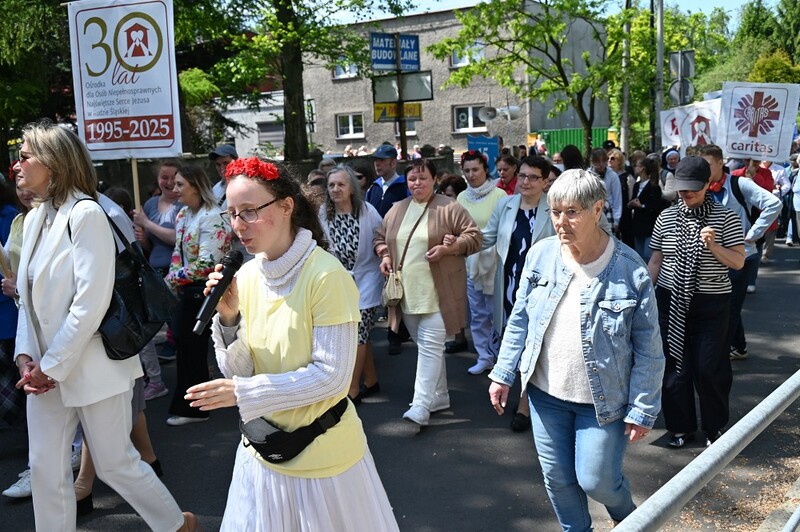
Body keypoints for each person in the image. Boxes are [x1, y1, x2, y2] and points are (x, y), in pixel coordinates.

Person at [184, 157, 399, 530]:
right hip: (262, 454)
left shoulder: (326, 276)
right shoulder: (247, 275)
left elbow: (331, 378)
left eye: (249, 211)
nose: (237, 226)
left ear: (286, 207)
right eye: (232, 214)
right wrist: (230, 319)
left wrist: (242, 393)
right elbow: (238, 370)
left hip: (324, 464)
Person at [12, 121, 197, 531]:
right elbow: (27, 297)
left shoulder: (87, 214)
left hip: (94, 365)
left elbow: (90, 304)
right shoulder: (37, 217)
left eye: (25, 156)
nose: (17, 165)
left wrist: (50, 366)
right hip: (44, 370)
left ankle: (176, 524)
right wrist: (27, 356)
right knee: (44, 467)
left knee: (115, 464)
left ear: (54, 163)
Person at [488, 168, 664, 531]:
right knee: (558, 479)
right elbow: (520, 318)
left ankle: (630, 520)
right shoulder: (540, 256)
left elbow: (649, 347)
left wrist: (642, 406)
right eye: (555, 212)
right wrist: (503, 374)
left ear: (598, 210)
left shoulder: (630, 270)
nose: (561, 222)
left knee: (597, 480)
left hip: (603, 402)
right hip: (545, 394)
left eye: (572, 212)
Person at [374, 158, 482, 425]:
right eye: (412, 178)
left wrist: (451, 247)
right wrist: (385, 254)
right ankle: (441, 395)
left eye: (423, 178)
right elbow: (379, 237)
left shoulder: (449, 207)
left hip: (439, 292)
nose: (417, 183)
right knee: (426, 347)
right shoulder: (397, 209)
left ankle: (421, 405)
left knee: (430, 348)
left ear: (434, 180)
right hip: (407, 294)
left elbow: (475, 237)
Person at [648, 156, 745, 448]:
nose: (685, 194)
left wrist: (714, 246)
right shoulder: (666, 217)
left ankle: (715, 427)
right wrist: (643, 294)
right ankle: (680, 428)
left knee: (708, 367)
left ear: (707, 185)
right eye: (681, 188)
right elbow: (656, 259)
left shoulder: (725, 217)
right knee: (675, 367)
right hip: (671, 299)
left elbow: (739, 261)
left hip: (711, 302)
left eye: (692, 188)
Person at [482, 156, 555, 432]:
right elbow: (487, 237)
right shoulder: (506, 204)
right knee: (515, 338)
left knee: (534, 343)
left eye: (533, 177)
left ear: (545, 181)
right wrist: (459, 242)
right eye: (522, 175)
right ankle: (512, 389)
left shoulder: (553, 208)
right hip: (510, 285)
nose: (525, 181)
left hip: (542, 288)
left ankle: (524, 405)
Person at [698, 145, 781, 361]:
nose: (704, 170)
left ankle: (719, 353)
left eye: (707, 164)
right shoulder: (700, 187)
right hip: (713, 258)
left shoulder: (739, 183)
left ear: (720, 163)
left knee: (728, 306)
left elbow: (774, 203)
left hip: (741, 256)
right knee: (726, 304)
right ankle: (740, 346)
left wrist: (752, 233)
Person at [165, 165, 231, 426]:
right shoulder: (183, 214)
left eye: (180, 184)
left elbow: (208, 262)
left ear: (195, 185)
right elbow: (177, 253)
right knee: (185, 345)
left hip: (206, 289)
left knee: (192, 346)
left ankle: (196, 407)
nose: (174, 189)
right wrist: (173, 280)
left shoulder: (213, 215)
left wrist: (172, 278)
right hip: (187, 288)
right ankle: (194, 403)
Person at [319, 165, 384, 405]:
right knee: (360, 335)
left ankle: (352, 389)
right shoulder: (324, 214)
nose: (335, 189)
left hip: (366, 281)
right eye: (331, 185)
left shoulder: (368, 212)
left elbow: (381, 237)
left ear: (352, 188)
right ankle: (372, 380)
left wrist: (384, 254)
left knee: (357, 335)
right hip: (339, 284)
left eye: (341, 184)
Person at [457, 150, 508, 375]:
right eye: (467, 170)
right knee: (477, 312)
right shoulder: (461, 198)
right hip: (470, 262)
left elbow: (505, 230)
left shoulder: (500, 195)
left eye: (475, 169)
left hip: (494, 263)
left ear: (485, 170)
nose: (471, 174)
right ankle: (484, 356)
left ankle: (502, 357)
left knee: (495, 311)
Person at [134, 159, 182, 372]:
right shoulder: (151, 204)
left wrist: (147, 224)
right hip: (155, 270)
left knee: (178, 321)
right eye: (165, 177)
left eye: (174, 177)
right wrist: (142, 236)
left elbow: (176, 238)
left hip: (176, 272)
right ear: (157, 179)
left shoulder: (183, 205)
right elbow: (148, 244)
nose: (170, 182)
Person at [366, 143, 412, 355]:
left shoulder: (404, 187)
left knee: (397, 289)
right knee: (390, 289)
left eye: (382, 160)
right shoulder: (373, 188)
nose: (378, 164)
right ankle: (396, 330)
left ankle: (396, 332)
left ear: (394, 162)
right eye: (376, 160)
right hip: (379, 244)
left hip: (402, 245)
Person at [629, 156, 669, 263]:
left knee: (648, 254)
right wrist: (632, 203)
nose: (634, 168)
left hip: (649, 225)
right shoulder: (636, 185)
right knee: (639, 254)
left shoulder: (654, 187)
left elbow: (656, 207)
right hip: (638, 225)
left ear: (643, 168)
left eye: (636, 165)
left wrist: (642, 206)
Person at [589, 148, 623, 237]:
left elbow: (617, 199)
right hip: (591, 212)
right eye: (597, 162)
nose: (600, 165)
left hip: (608, 212)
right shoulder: (587, 175)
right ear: (592, 162)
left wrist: (616, 220)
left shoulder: (613, 176)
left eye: (603, 161)